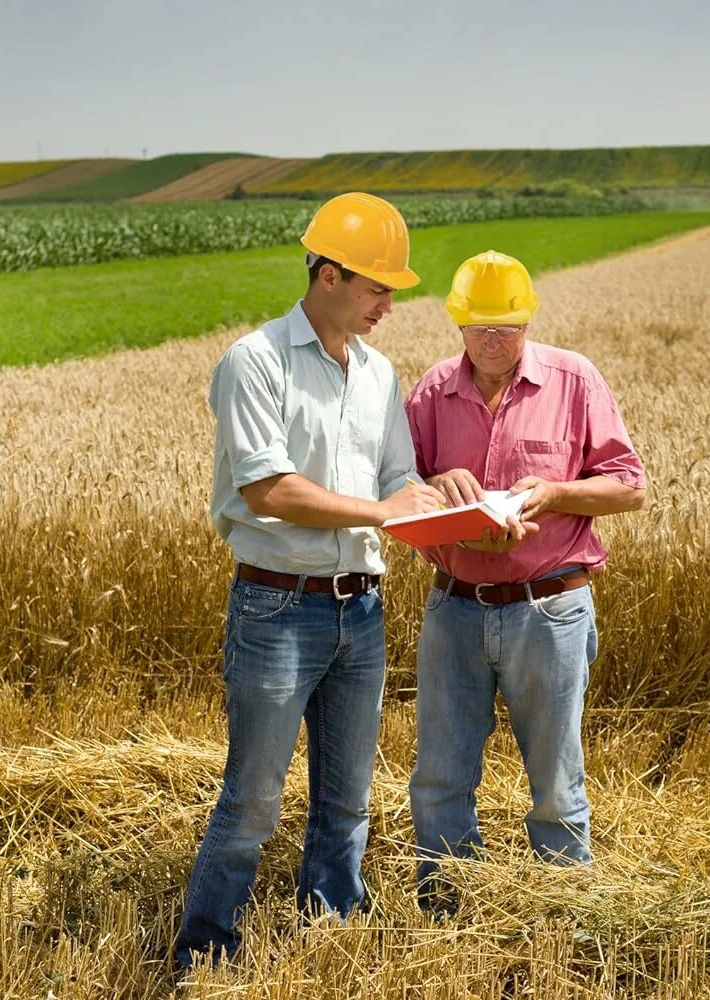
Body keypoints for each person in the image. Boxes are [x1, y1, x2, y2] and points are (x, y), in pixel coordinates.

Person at [174, 192, 445, 967]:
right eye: (377, 288)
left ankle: (327, 935)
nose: (388, 305)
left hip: (361, 609)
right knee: (254, 797)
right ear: (328, 274)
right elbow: (270, 490)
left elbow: (399, 476)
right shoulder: (254, 362)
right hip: (276, 607)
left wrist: (441, 500)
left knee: (347, 800)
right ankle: (207, 952)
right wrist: (384, 513)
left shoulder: (379, 374)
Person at [404, 250, 647, 912]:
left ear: (528, 320)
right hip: (454, 609)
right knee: (439, 778)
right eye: (479, 327)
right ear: (457, 324)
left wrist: (558, 493)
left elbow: (629, 487)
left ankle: (564, 919)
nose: (492, 340)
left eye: (506, 326)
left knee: (556, 783)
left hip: (550, 610)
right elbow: (393, 487)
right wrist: (430, 486)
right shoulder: (430, 393)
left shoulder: (575, 381)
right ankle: (448, 912)